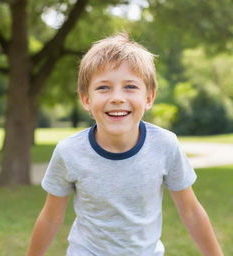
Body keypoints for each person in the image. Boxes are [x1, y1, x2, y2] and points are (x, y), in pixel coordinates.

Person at [26, 33, 224, 256]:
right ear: (86, 99)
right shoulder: (69, 152)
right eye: (103, 88)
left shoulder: (165, 145)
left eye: (130, 86)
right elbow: (51, 217)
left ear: (149, 97)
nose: (117, 97)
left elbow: (191, 212)